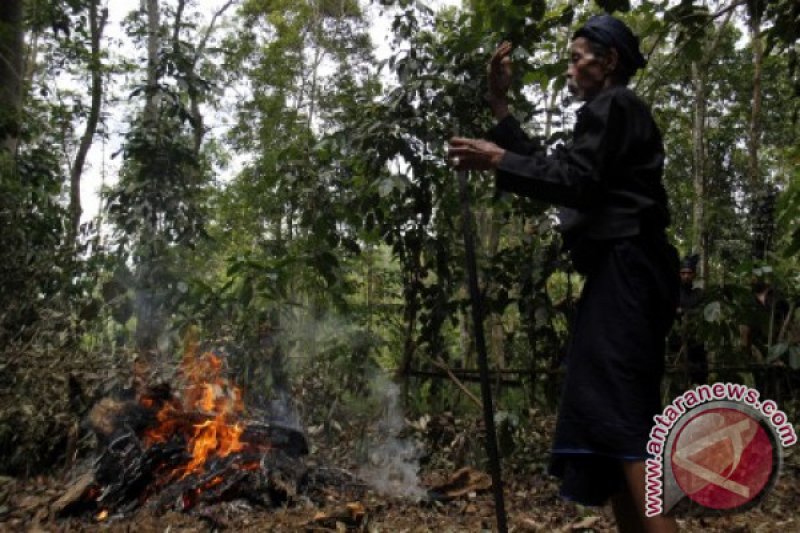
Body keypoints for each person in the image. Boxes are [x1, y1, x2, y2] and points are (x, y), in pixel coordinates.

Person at [448, 14, 679, 533]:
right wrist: (501, 108)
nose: (571, 68)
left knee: (626, 424)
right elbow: (557, 172)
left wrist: (497, 158)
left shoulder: (616, 104)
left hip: (628, 273)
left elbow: (573, 181)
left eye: (578, 58)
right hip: (621, 276)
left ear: (609, 61)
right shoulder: (604, 116)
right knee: (613, 429)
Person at [676, 255, 708, 384]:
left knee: (700, 380)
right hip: (677, 344)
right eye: (683, 273)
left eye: (689, 273)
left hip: (697, 343)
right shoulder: (673, 293)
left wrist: (683, 311)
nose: (686, 276)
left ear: (694, 275)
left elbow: (705, 314)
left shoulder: (699, 293)